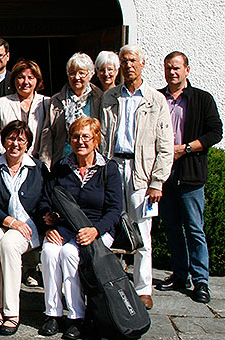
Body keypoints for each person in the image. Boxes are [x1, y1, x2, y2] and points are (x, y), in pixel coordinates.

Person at [99, 44, 174, 310]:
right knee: (108, 225)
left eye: (133, 60)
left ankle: (143, 288)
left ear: (142, 64)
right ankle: (109, 281)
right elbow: (102, 138)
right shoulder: (110, 98)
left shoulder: (155, 99)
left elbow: (165, 146)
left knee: (142, 230)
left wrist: (157, 182)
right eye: (124, 61)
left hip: (141, 173)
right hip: (113, 167)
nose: (129, 65)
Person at [38, 117, 122, 339]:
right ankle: (53, 314)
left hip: (97, 229)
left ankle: (77, 316)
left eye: (86, 136)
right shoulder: (62, 167)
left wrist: (96, 230)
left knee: (70, 254)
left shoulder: (108, 169)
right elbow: (45, 200)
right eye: (75, 137)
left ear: (96, 140)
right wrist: (47, 222)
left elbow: (115, 210)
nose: (80, 141)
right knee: (49, 252)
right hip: (65, 228)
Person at [155, 51, 222, 304]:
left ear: (187, 70)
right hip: (164, 175)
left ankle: (201, 281)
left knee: (195, 229)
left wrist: (187, 148)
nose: (173, 72)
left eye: (177, 68)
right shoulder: (158, 98)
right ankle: (180, 275)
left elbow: (216, 132)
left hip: (191, 175)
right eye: (168, 68)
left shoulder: (202, 99)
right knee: (172, 227)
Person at [0, 120, 48, 335]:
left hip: (28, 225)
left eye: (20, 140)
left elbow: (45, 199)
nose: (15, 143)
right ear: (4, 140)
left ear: (28, 144)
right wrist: (9, 221)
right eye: (11, 138)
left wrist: (47, 219)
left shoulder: (39, 169)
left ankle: (12, 313)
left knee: (8, 245)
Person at [40, 52, 103, 168]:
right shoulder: (56, 100)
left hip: (91, 163)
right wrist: (45, 164)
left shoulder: (99, 99)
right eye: (72, 73)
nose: (77, 77)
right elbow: (48, 134)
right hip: (63, 161)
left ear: (90, 75)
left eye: (82, 73)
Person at [0, 60, 50, 158]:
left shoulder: (46, 103)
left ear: (37, 80)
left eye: (30, 78)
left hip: (37, 161)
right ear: (14, 80)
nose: (26, 82)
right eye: (21, 77)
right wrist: (9, 154)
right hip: (7, 158)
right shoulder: (2, 103)